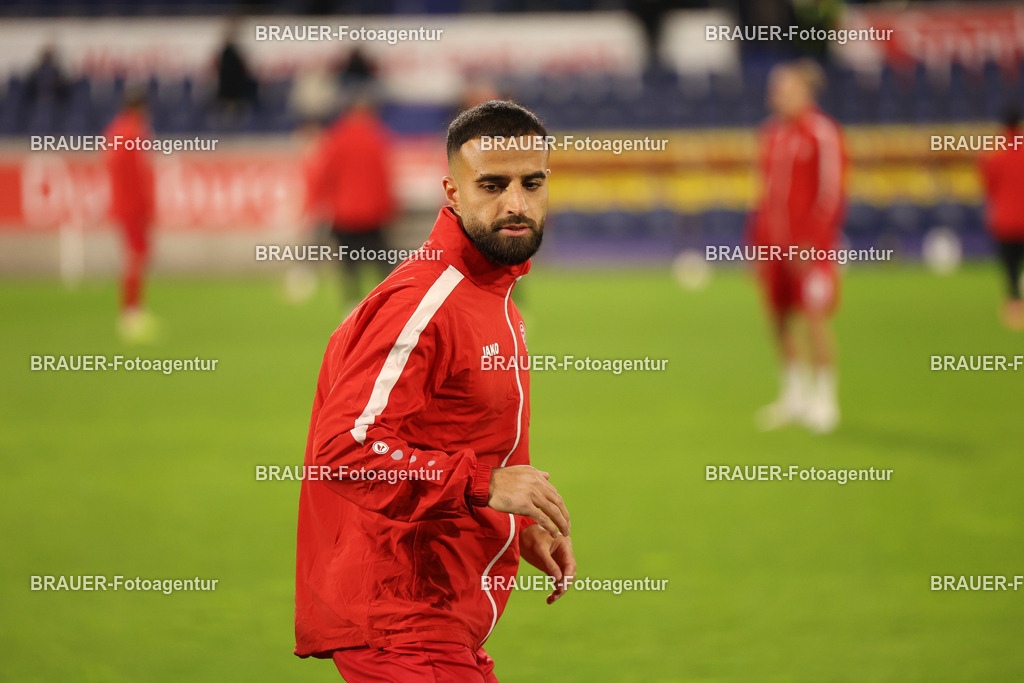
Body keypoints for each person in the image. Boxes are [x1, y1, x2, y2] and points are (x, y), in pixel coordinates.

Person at [295, 101, 575, 681]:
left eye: (532, 183)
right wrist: (484, 483)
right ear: (452, 191)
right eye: (492, 185)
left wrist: (519, 525)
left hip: (445, 617)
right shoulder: (425, 303)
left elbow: (465, 431)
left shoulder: (493, 293)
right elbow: (346, 446)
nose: (516, 204)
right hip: (404, 620)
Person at [747, 60, 847, 433]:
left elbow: (832, 191)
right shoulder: (771, 134)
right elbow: (764, 197)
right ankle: (794, 395)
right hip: (773, 249)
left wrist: (812, 243)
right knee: (778, 320)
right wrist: (755, 246)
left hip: (810, 251)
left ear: (803, 90)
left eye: (783, 87)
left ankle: (825, 399)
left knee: (815, 321)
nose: (775, 95)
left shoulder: (823, 133)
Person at [307, 95, 397, 311]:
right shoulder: (378, 135)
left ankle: (351, 307)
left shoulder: (337, 137)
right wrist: (389, 208)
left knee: (349, 265)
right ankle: (394, 303)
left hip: (345, 214)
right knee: (384, 263)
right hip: (373, 213)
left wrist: (318, 203)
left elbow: (324, 174)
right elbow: (384, 177)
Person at [104, 92, 157, 343]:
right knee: (136, 257)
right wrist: (148, 207)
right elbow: (139, 175)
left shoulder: (115, 132)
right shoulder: (133, 134)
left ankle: (133, 309)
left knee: (134, 256)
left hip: (125, 205)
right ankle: (131, 312)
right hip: (134, 207)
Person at [978, 106, 1024, 331]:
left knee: (1011, 267)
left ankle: (1014, 309)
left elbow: (988, 184)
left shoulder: (996, 152)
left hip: (1006, 220)